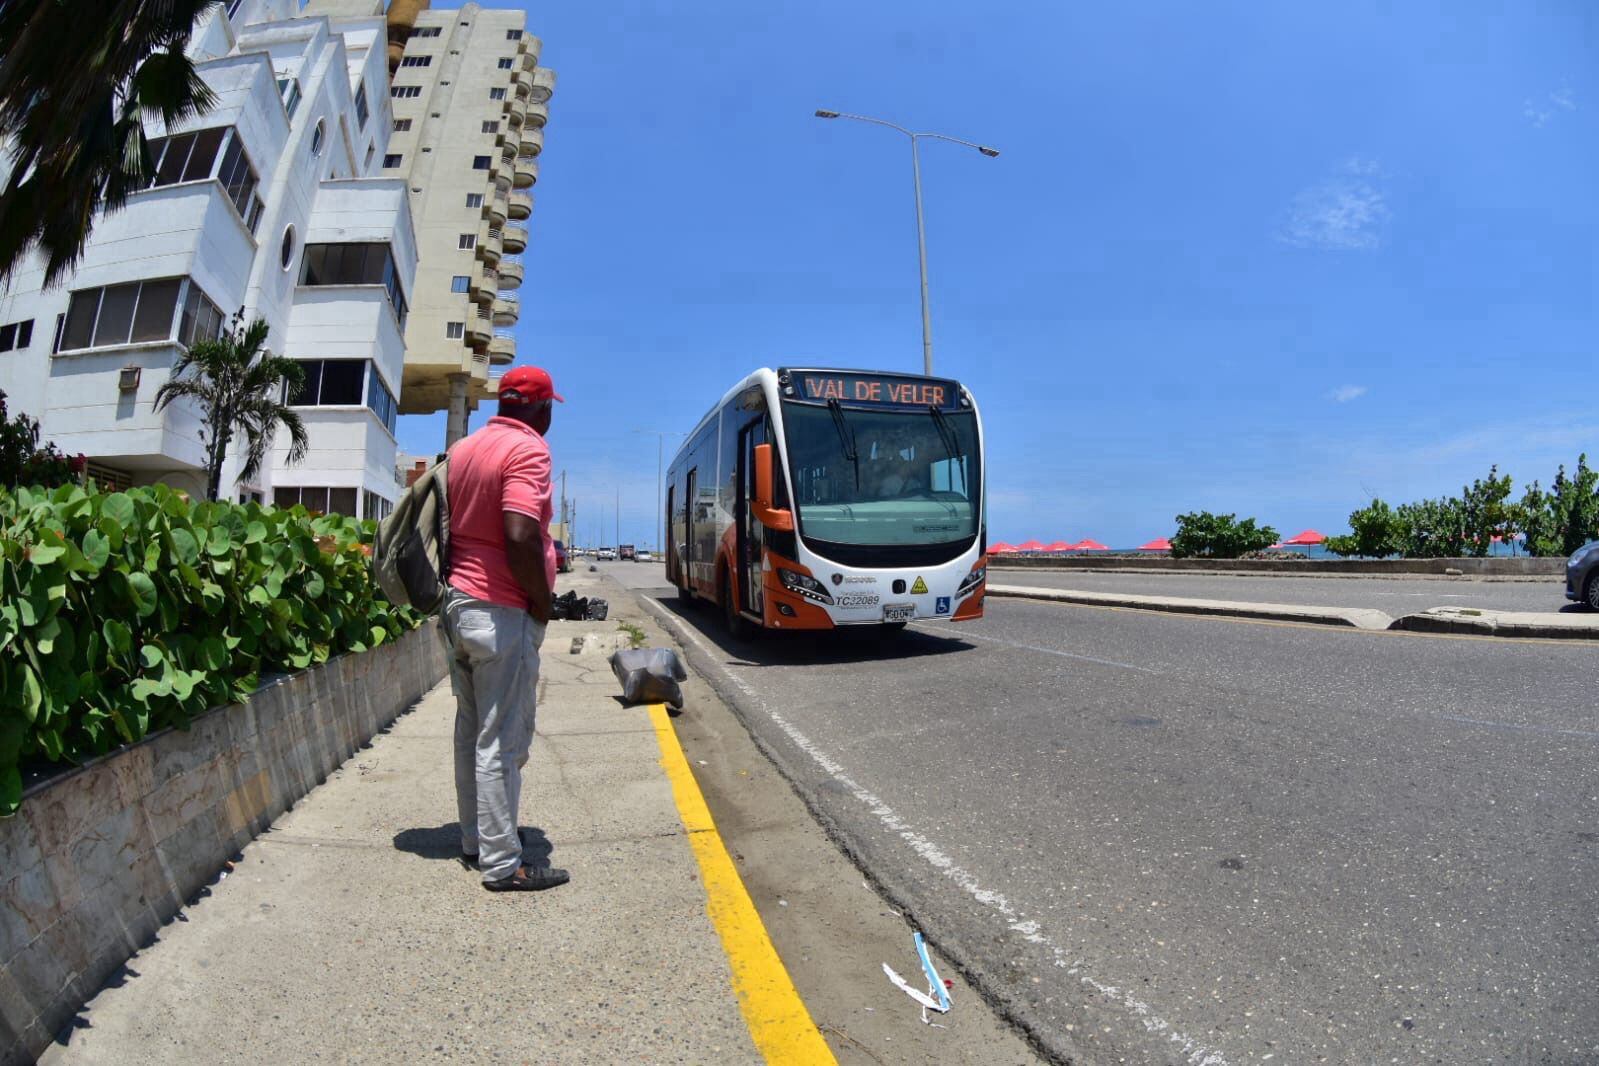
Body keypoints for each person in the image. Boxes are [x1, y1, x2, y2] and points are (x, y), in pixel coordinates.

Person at [442, 366, 568, 892]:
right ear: (542, 408)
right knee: (502, 740)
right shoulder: (528, 450)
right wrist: (541, 600)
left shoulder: (465, 449)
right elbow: (519, 533)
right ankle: (501, 865)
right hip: (501, 610)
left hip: (459, 604)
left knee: (471, 731)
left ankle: (476, 840)